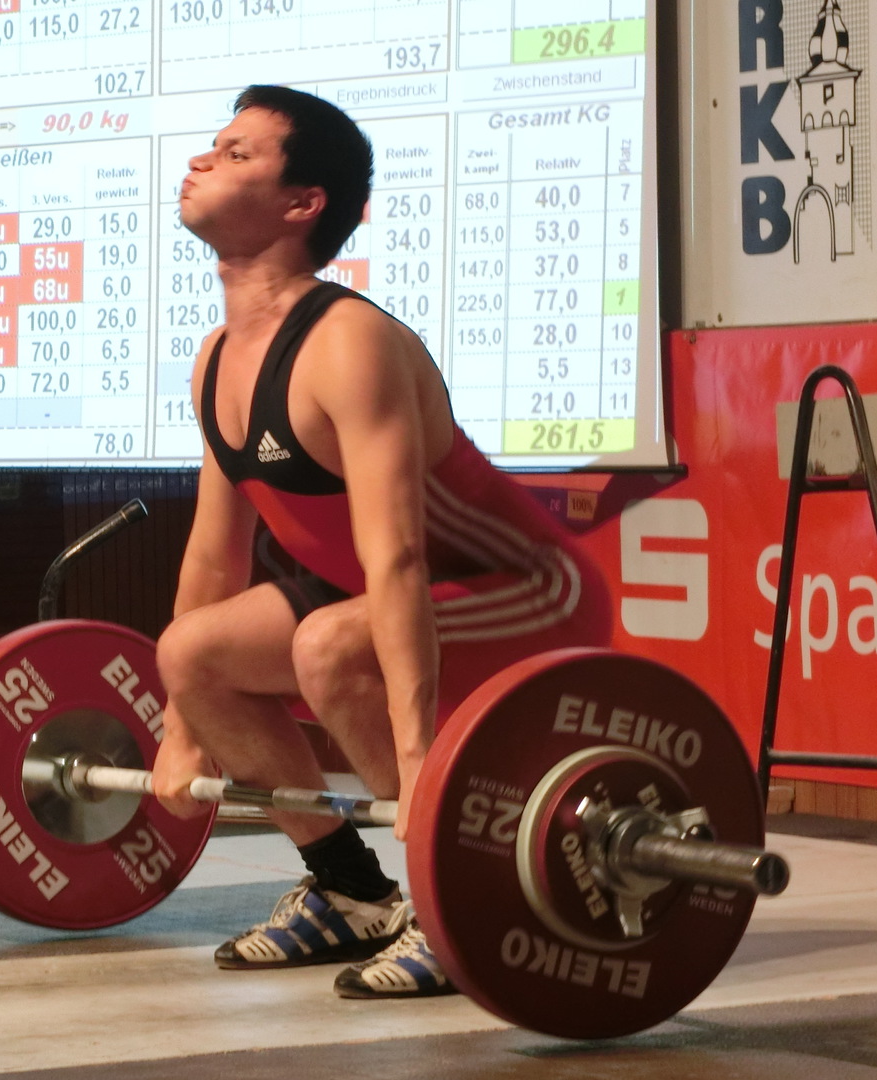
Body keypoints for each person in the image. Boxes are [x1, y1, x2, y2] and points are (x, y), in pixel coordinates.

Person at [150, 85, 612, 999]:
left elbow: (398, 556)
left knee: (329, 647)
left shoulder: (348, 343)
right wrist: (183, 731)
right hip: (388, 595)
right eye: (212, 145)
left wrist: (416, 763)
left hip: (529, 587)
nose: (202, 161)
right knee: (191, 652)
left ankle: (463, 903)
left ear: (302, 203)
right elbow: (213, 557)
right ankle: (351, 892)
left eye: (238, 153)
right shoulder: (216, 359)